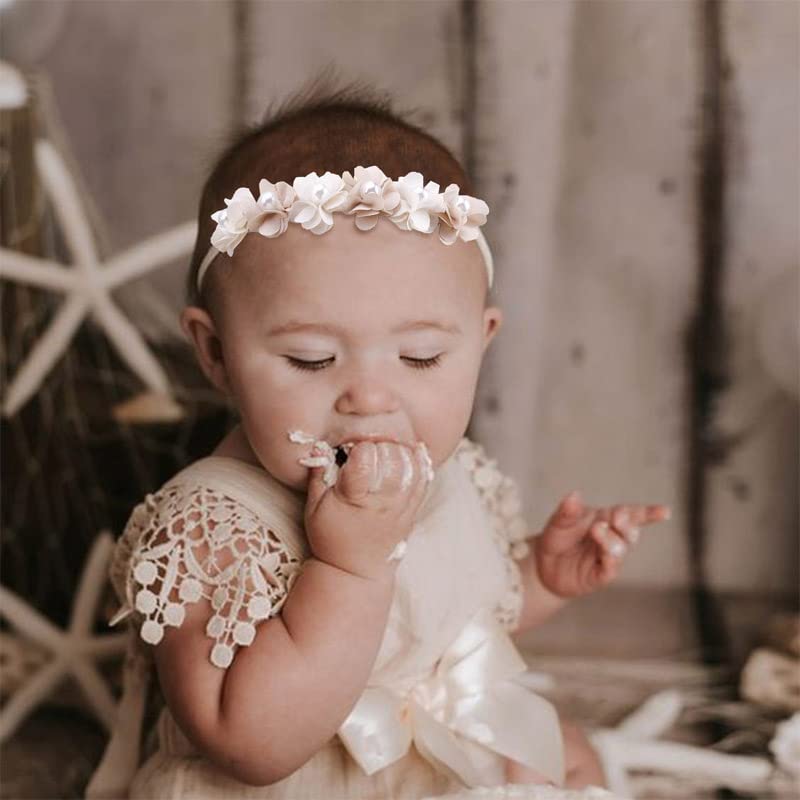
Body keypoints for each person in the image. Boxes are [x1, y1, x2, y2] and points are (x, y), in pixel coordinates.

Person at [86, 78, 670, 800]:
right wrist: (349, 568)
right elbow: (248, 745)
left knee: (564, 754)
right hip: (297, 787)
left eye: (421, 357)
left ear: (481, 341)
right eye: (312, 359)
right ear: (216, 354)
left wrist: (540, 580)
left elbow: (444, 622)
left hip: (425, 756)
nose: (369, 396)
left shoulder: (449, 474)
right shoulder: (209, 531)